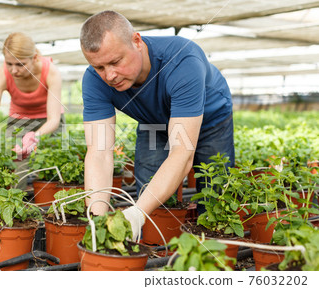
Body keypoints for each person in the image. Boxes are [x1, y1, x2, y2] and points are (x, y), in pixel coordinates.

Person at [80, 11, 234, 240]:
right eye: (99, 67)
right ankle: (154, 247)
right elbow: (99, 153)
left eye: (115, 62)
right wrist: (97, 221)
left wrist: (137, 212)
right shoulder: (94, 80)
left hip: (211, 120)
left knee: (216, 193)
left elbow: (182, 154)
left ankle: (211, 251)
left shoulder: (182, 60)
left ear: (137, 41)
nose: (109, 75)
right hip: (154, 123)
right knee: (148, 187)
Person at [0, 32, 64, 160]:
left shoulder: (50, 72)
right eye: (9, 64)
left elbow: (53, 120)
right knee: (16, 166)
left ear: (34, 58)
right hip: (19, 121)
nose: (14, 70)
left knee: (49, 165)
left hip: (49, 122)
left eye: (20, 64)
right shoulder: (3, 75)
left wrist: (35, 136)